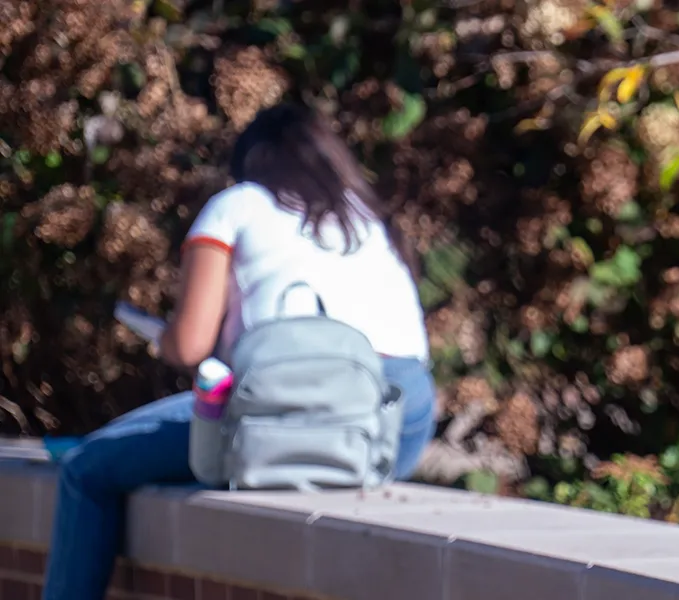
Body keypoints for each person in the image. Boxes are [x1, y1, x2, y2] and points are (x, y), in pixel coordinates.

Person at [41, 103, 437, 600]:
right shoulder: (366, 217)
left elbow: (191, 346)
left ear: (253, 161)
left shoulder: (239, 204)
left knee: (87, 468)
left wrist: (161, 335)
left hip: (295, 406)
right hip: (397, 425)